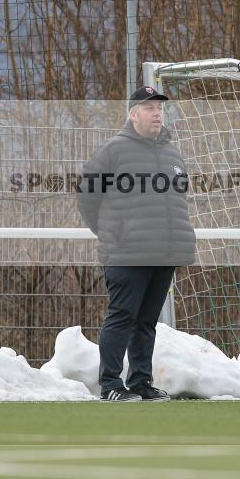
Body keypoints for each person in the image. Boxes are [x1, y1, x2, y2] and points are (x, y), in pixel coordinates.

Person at [77, 86, 196, 402]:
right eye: (149, 108)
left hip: (164, 253)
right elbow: (87, 197)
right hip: (126, 251)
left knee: (146, 322)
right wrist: (111, 234)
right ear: (133, 115)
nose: (157, 113)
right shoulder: (114, 150)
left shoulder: (172, 153)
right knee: (122, 316)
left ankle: (141, 382)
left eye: (159, 108)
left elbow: (176, 201)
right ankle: (111, 385)